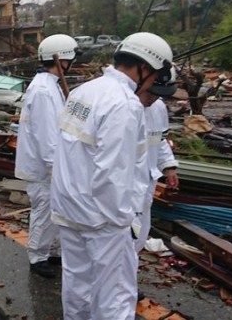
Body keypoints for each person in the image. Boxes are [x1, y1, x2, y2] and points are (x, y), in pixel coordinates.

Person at [51, 32, 173, 320]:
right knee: (115, 298)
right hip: (103, 219)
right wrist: (124, 222)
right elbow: (113, 173)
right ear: (144, 68)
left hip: (69, 207)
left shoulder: (84, 91)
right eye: (156, 77)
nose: (154, 84)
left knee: (78, 285)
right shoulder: (124, 104)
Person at [15, 34, 79, 279]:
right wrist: (56, 167)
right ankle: (37, 257)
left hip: (48, 164)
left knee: (54, 212)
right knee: (44, 211)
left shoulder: (50, 85)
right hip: (44, 166)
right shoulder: (43, 90)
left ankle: (52, 252)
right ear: (63, 59)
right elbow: (47, 134)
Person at [133, 66, 180, 253]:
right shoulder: (123, 107)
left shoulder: (158, 108)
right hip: (124, 184)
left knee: (141, 229)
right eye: (150, 93)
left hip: (146, 179)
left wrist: (168, 166)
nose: (152, 99)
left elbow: (160, 140)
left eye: (157, 95)